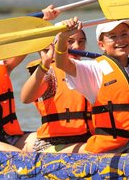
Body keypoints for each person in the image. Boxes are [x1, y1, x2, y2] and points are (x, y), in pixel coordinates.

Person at [54, 18, 129, 154]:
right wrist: (63, 38)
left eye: (124, 34)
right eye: (113, 37)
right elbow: (62, 63)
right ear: (101, 45)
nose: (120, 40)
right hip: (109, 152)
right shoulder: (94, 69)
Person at [19, 21, 93, 154]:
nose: (77, 46)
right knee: (93, 149)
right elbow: (25, 98)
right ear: (55, 45)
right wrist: (44, 65)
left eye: (81, 41)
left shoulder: (89, 70)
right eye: (69, 41)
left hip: (88, 139)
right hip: (53, 144)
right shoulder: (50, 73)